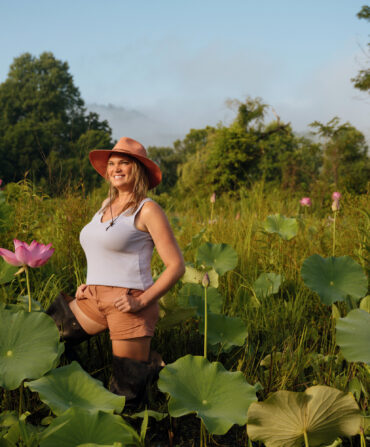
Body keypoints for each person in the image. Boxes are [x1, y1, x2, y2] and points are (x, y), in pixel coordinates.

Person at [46, 137, 185, 409]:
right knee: (45, 336)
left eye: (124, 162)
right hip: (92, 299)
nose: (116, 168)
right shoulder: (104, 205)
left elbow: (176, 266)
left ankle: (150, 370)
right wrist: (88, 283)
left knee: (127, 395)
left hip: (129, 304)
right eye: (111, 164)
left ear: (139, 170)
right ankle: (88, 392)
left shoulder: (148, 209)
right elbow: (101, 250)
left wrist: (142, 302)